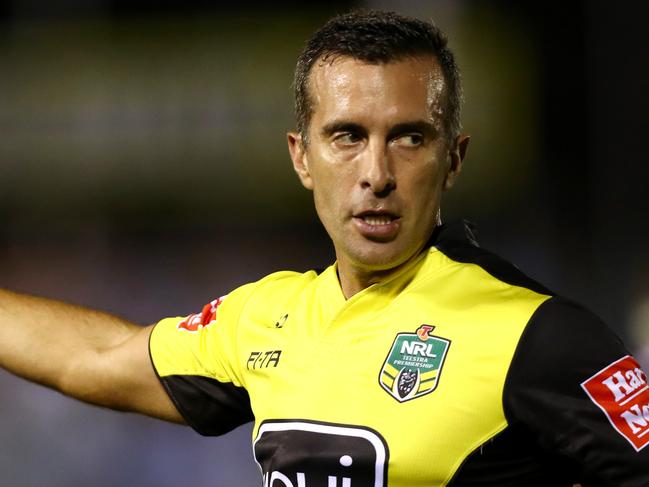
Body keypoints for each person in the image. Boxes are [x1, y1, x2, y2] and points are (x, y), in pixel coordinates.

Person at [1, 10, 648, 487]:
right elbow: (95, 356)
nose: (376, 173)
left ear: (453, 158)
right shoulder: (264, 318)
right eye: (345, 135)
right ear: (300, 156)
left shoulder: (537, 336)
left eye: (409, 137)